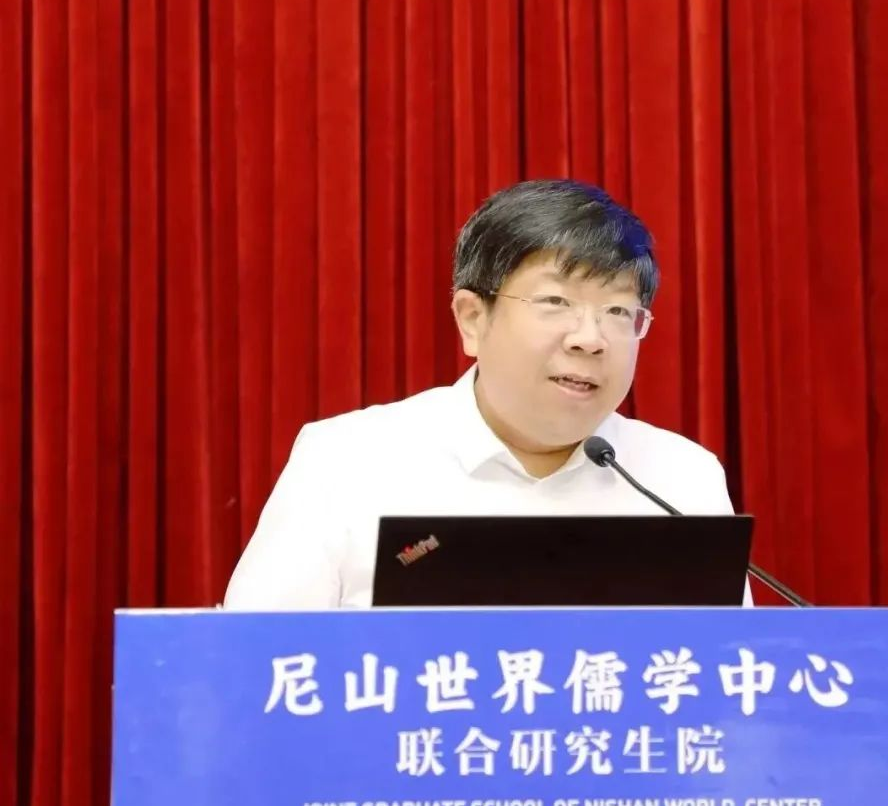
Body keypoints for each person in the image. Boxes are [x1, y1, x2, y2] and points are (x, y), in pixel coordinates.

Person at [223, 179, 752, 608]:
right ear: (473, 319)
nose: (590, 339)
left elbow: (728, 674)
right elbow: (252, 668)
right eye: (555, 302)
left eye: (617, 311)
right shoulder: (346, 460)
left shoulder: (679, 477)